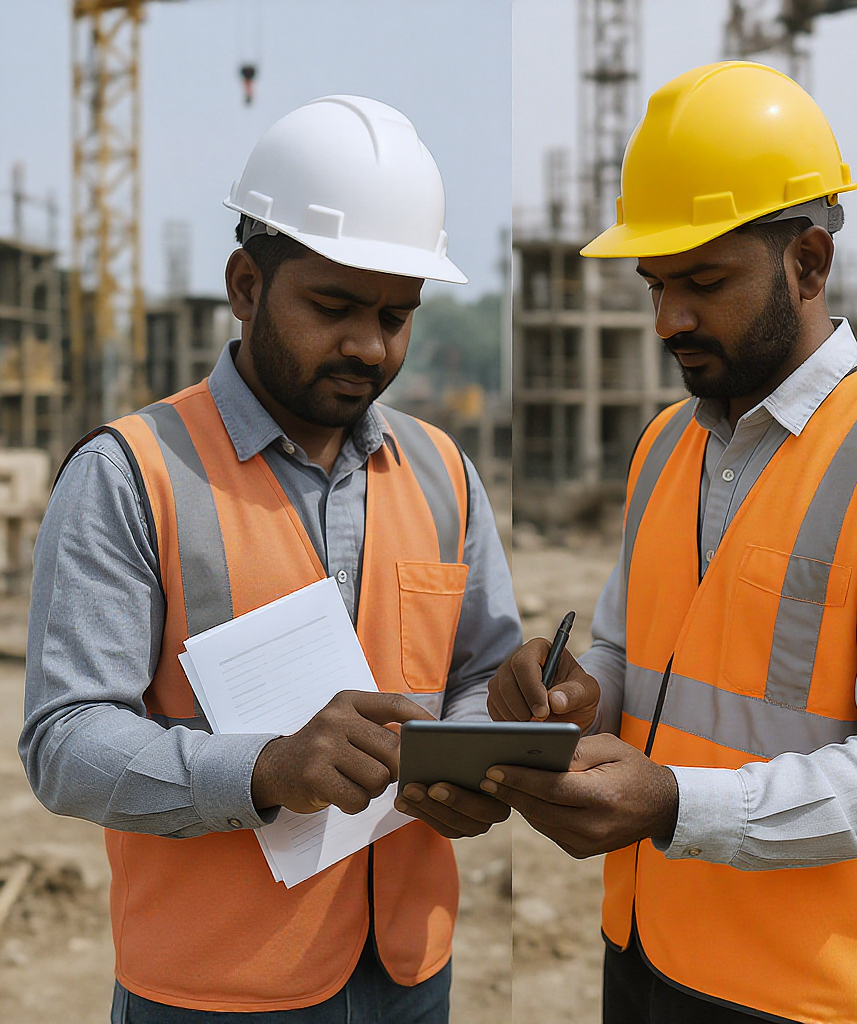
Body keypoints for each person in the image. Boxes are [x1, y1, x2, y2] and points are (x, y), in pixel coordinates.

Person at [410, 63, 857, 1024]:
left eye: (702, 283)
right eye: (655, 285)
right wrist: (577, 689)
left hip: (813, 996)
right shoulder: (666, 444)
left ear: (808, 264)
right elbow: (629, 651)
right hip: (648, 954)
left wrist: (676, 806)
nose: (668, 321)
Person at [20, 95, 520, 1023]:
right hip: (215, 989)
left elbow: (482, 670)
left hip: (408, 969)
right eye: (333, 307)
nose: (370, 345)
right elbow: (65, 742)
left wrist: (486, 743)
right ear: (246, 286)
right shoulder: (132, 475)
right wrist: (263, 771)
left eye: (397, 314)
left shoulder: (443, 472)